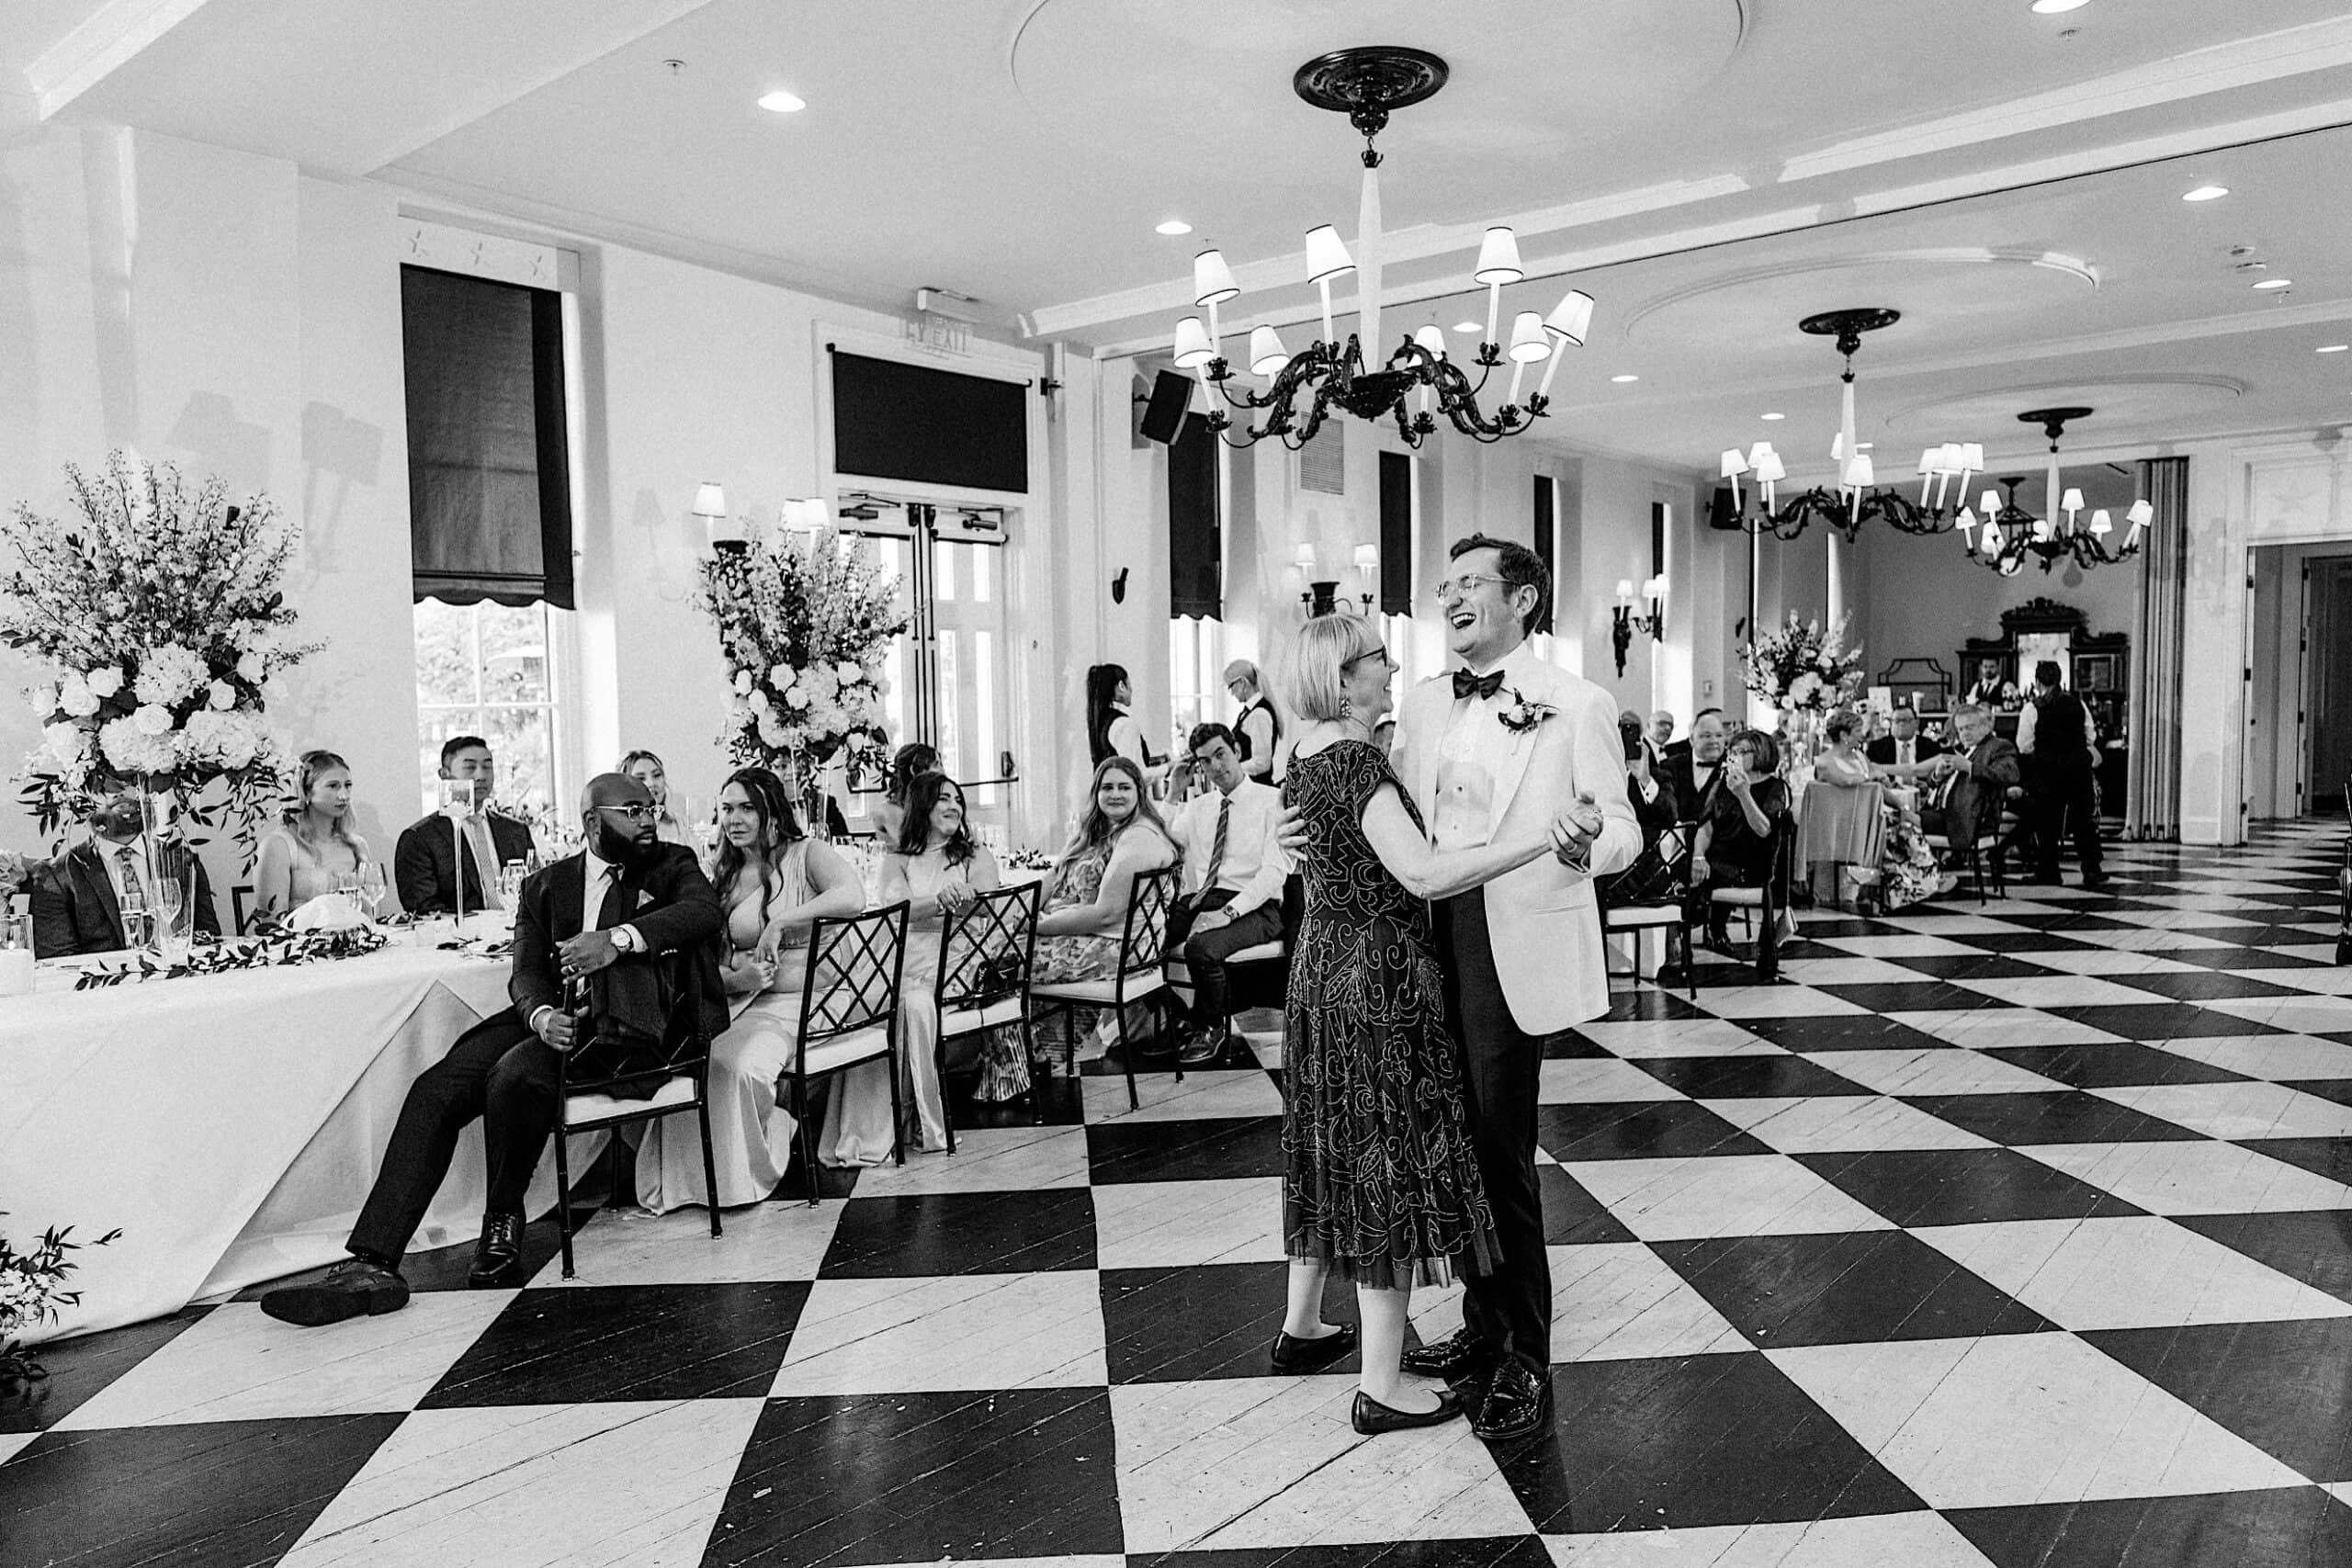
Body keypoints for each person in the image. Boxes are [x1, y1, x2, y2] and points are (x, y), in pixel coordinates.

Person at [260, 773, 725, 1325]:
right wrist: (540, 1014)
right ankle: (373, 1263)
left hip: (636, 1032)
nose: (647, 819)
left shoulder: (672, 866)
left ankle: (501, 1223)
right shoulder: (546, 885)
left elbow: (702, 913)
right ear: (593, 821)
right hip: (556, 1018)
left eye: (650, 809)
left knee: (514, 1073)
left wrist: (617, 940)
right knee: (437, 1089)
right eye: (632, 810)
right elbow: (525, 974)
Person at [1274, 615, 1588, 1436]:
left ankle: (1301, 1326)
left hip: (1320, 963)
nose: (1392, 667)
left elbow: (1317, 853)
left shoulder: (1301, 757)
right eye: (1378, 658)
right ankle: (1381, 1384)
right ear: (1344, 676)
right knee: (1383, 1155)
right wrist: (1529, 844)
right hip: (1375, 974)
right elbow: (1421, 870)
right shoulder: (1354, 762)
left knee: (1329, 1141)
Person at [1384, 534, 1638, 1443]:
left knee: (1498, 1146)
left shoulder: (1576, 704)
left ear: (1522, 602)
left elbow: (1622, 830)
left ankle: (1523, 1355)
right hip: (1424, 937)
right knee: (1444, 1141)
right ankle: (1476, 1322)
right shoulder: (1416, 706)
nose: (1449, 597)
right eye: (1444, 585)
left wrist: (1587, 846)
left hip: (1510, 942)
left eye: (1470, 584)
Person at [635, 767, 866, 1211]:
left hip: (812, 1001)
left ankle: (752, 1169)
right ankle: (694, 1184)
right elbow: (705, 962)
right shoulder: (720, 875)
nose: (734, 819)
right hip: (744, 1001)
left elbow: (852, 897)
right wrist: (738, 980)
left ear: (770, 812)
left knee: (737, 1065)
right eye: (726, 809)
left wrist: (782, 920)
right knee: (694, 1059)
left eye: (746, 809)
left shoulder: (807, 854)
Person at [1027, 755, 1179, 1075]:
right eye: (1107, 787)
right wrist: (1025, 914)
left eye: (1124, 787)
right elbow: (1053, 877)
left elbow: (1106, 915)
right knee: (999, 946)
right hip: (1086, 936)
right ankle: (1055, 1047)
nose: (1115, 794)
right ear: (1096, 793)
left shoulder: (1139, 838)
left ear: (1140, 791)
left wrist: (1037, 928)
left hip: (1118, 950)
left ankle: (1022, 1063)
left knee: (1002, 966)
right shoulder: (1094, 830)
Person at [866, 771, 993, 1149]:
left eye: (958, 799)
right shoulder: (898, 860)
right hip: (906, 959)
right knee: (875, 1000)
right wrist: (940, 900)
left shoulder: (975, 855)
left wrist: (962, 897)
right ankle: (886, 1118)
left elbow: (987, 903)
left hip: (958, 961)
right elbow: (897, 908)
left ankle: (922, 1120)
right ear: (922, 806)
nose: (954, 806)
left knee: (915, 1003)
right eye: (944, 799)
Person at [1160, 723, 1289, 1066]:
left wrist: (1228, 912)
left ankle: (1210, 1026)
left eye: (1221, 754)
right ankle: (1175, 1017)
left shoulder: (1271, 800)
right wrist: (1173, 794)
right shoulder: (1200, 807)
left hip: (1257, 906)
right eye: (1205, 761)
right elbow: (1164, 840)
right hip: (1203, 898)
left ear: (1236, 751)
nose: (1216, 767)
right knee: (1145, 942)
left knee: (1202, 948)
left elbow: (1274, 872)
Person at [28, 790, 221, 957]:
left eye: (128, 775)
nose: (120, 791)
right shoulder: (55, 876)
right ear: (80, 796)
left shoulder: (182, 861)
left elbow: (207, 940)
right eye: (106, 780)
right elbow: (60, 965)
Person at [394, 736, 537, 916]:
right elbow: (424, 909)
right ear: (445, 774)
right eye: (470, 767)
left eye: (487, 766)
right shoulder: (420, 839)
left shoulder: (515, 830)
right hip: (459, 938)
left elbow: (536, 890)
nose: (481, 776)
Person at [1686, 728, 1792, 953]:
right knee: (1682, 870)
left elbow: (1764, 830)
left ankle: (1705, 929)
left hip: (1757, 862)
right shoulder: (1722, 782)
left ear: (1761, 753)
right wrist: (1698, 856)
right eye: (1732, 751)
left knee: (1706, 879)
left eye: (1742, 751)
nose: (1734, 756)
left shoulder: (1776, 787)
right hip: (1721, 856)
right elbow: (1706, 826)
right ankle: (1678, 937)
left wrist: (1744, 794)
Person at [252, 750, 370, 925]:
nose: (344, 795)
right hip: (296, 949)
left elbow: (370, 916)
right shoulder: (279, 846)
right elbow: (271, 924)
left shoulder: (357, 846)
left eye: (348, 785)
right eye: (333, 786)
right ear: (306, 792)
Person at [2018, 660, 2107, 886]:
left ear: (2037, 682)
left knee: (2048, 822)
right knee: (2083, 821)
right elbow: (2091, 737)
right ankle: (2091, 868)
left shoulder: (2032, 708)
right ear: (2059, 679)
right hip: (2077, 768)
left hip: (2048, 770)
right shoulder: (2078, 704)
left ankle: (2049, 871)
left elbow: (2024, 745)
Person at [1919, 703, 2022, 863]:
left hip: (1967, 821)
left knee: (1902, 823)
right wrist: (1937, 776)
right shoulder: (1962, 749)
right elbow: (1932, 784)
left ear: (1985, 727)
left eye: (1969, 728)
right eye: (1960, 730)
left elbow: (2010, 774)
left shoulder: (1998, 746)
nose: (1964, 734)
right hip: (1945, 814)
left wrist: (1969, 767)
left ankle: (1921, 877)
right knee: (1898, 819)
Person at [1600, 710, 1682, 907]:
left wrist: (1644, 779)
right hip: (1604, 870)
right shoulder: (1597, 776)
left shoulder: (1658, 776)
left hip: (1643, 874)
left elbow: (1670, 816)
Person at [1085, 663, 1166, 782]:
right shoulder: (1125, 725)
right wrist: (1168, 768)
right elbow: (1133, 777)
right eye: (1130, 683)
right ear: (1122, 686)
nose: (1132, 689)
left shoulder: (1095, 727)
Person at [1663, 707, 1728, 821]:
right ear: (1692, 739)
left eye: (1719, 736)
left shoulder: (1732, 768)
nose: (1714, 741)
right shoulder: (1670, 767)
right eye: (1707, 736)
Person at [870, 742, 940, 847]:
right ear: (915, 771)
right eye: (936, 765)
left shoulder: (934, 804)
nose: (942, 771)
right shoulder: (888, 810)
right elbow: (914, 848)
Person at [618, 750, 694, 846]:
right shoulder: (619, 831)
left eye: (657, 775)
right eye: (641, 778)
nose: (651, 783)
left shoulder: (682, 824)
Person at [1225, 660, 1282, 784]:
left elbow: (1261, 763)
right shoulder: (1249, 712)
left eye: (1231, 686)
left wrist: (1230, 769)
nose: (1232, 693)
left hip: (1257, 789)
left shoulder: (1259, 714)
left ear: (1242, 682)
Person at [1865, 707, 1945, 775]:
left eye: (1907, 720)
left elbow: (1937, 775)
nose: (1902, 724)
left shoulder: (1931, 747)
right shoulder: (1876, 748)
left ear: (1917, 723)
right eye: (1897, 721)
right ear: (1891, 724)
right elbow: (1871, 773)